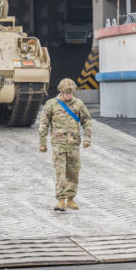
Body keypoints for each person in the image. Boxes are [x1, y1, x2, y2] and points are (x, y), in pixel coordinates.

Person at [38, 78, 92, 211]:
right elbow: (44, 124)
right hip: (58, 145)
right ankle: (61, 200)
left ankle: (71, 199)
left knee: (73, 172)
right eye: (66, 93)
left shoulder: (79, 104)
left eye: (71, 93)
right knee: (60, 172)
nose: (68, 96)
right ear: (61, 91)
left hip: (73, 145)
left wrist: (87, 139)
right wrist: (42, 143)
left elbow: (87, 121)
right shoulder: (51, 104)